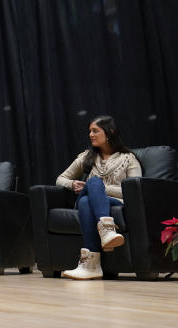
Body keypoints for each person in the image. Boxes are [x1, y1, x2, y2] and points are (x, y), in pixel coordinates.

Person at [56, 115, 142, 280]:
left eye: (95, 131)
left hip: (115, 202)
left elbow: (133, 191)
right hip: (93, 200)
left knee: (86, 200)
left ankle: (91, 265)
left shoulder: (129, 159)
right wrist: (73, 184)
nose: (91, 135)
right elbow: (60, 179)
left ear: (110, 132)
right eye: (90, 131)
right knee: (93, 183)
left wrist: (102, 188)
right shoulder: (86, 156)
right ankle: (107, 230)